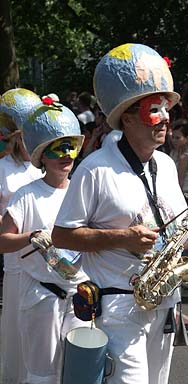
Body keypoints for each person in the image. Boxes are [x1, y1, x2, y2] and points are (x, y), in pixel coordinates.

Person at [51, 43, 188, 384]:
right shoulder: (95, 169)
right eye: (155, 109)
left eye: (167, 109)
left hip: (164, 305)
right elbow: (61, 235)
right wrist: (123, 236)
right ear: (126, 116)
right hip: (120, 308)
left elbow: (175, 237)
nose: (166, 118)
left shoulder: (165, 165)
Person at [0, 97, 88, 384]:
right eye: (57, 149)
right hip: (41, 296)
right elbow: (3, 241)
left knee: (79, 371)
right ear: (42, 156)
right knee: (42, 376)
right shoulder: (27, 194)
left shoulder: (83, 190)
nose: (66, 155)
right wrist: (31, 237)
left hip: (80, 296)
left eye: (70, 147)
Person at [0, 88, 43, 384]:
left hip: (52, 264)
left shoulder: (45, 166)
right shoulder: (2, 168)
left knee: (44, 338)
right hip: (16, 261)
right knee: (16, 335)